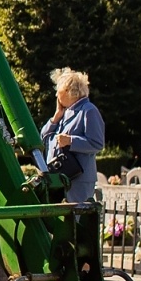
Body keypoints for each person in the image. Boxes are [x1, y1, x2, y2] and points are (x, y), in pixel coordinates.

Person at [39, 68, 104, 204]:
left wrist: (70, 141)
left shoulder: (88, 110)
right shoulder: (64, 112)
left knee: (77, 219)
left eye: (59, 90)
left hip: (79, 179)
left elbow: (97, 144)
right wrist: (56, 117)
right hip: (59, 176)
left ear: (69, 91)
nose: (56, 94)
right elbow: (43, 137)